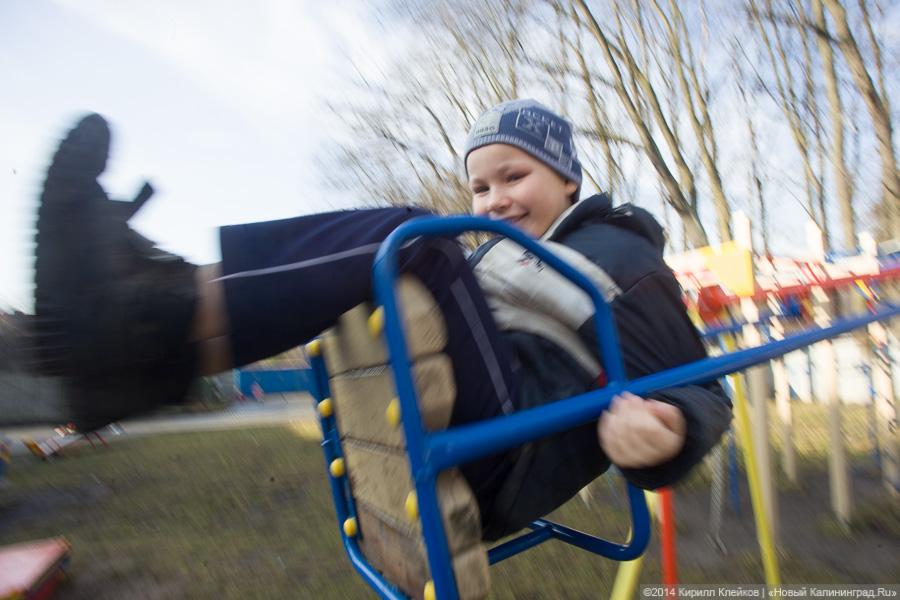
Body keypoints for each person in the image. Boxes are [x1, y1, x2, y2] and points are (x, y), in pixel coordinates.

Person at [32, 100, 731, 541]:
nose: (492, 201)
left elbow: (707, 386)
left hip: (508, 451)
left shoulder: (620, 254)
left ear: (569, 179)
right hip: (471, 418)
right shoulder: (506, 257)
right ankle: (145, 355)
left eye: (514, 177)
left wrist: (672, 428)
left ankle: (148, 313)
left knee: (417, 240)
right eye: (480, 186)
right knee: (403, 257)